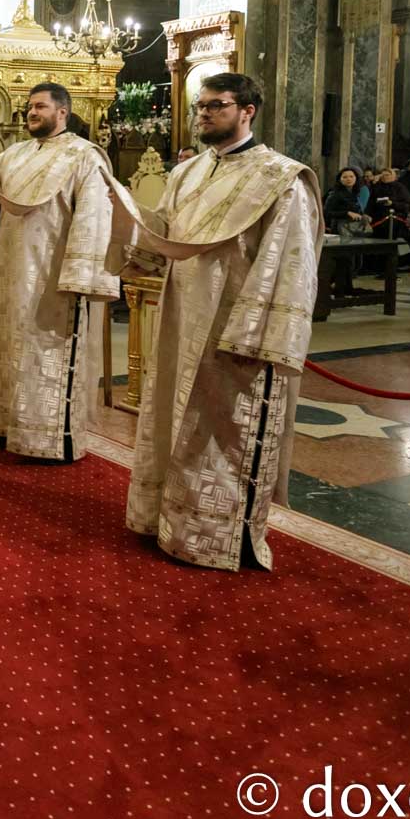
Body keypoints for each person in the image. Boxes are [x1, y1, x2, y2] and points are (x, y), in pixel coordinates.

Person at [120, 72, 322, 572]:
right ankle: (166, 521)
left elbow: (290, 264)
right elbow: (163, 232)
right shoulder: (187, 173)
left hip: (235, 327)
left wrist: (256, 335)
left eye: (217, 105)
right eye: (201, 106)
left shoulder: (282, 178)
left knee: (223, 434)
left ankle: (216, 538)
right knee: (172, 419)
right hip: (178, 318)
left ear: (248, 110)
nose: (204, 114)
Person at [0, 84, 118, 458]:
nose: (31, 112)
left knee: (47, 354)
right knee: (9, 347)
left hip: (53, 275)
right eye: (29, 106)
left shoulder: (83, 156)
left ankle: (49, 437)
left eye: (40, 107)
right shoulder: (15, 154)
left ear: (62, 112)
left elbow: (94, 218)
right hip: (10, 268)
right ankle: (4, 422)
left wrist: (82, 277)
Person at [323, 167, 372, 235]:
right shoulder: (335, 194)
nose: (349, 179)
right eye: (345, 177)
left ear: (356, 178)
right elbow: (327, 212)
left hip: (355, 228)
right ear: (340, 179)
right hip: (340, 228)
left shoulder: (356, 192)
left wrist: (364, 216)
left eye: (351, 176)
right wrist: (347, 213)